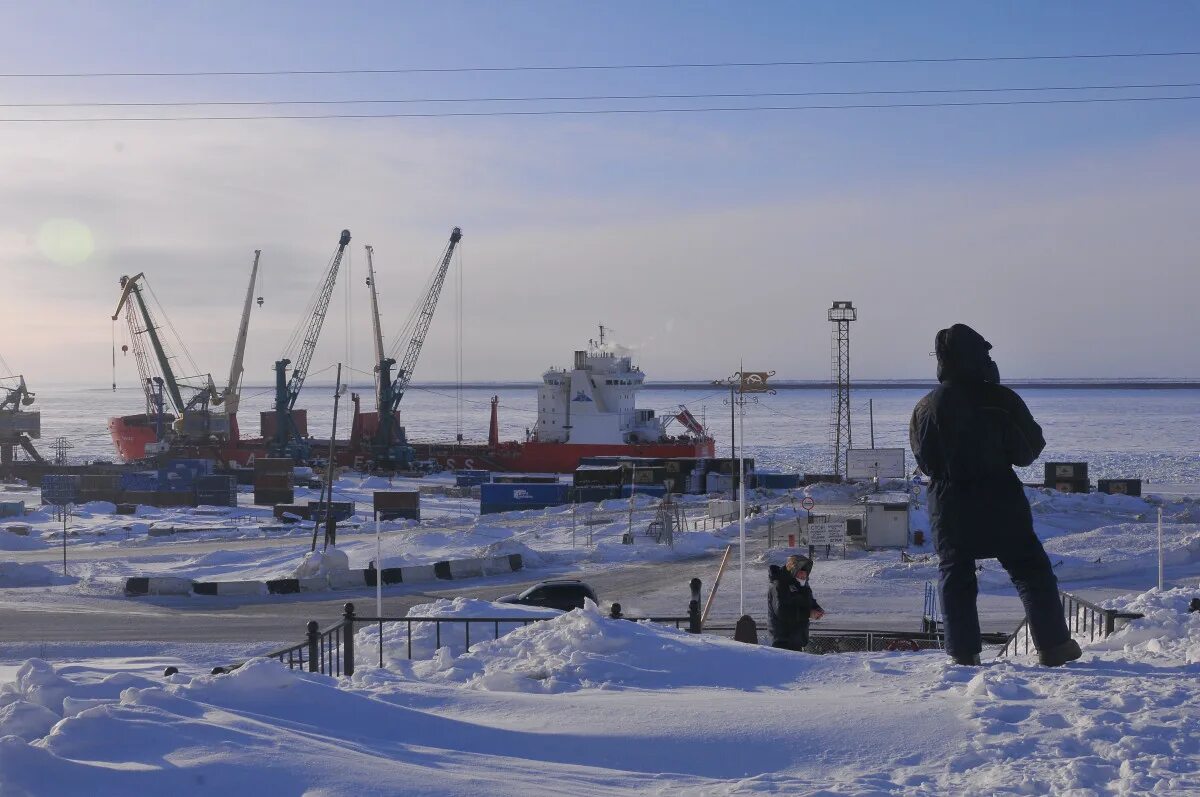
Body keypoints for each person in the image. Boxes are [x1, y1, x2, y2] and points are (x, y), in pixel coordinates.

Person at [910, 324, 1082, 667]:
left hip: (949, 501)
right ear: (976, 358)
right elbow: (1028, 450)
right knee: (1031, 571)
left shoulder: (926, 406)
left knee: (955, 574)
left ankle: (963, 654)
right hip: (999, 497)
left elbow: (925, 460)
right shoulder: (1001, 401)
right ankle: (1054, 646)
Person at [767, 555, 825, 651]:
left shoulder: (801, 584)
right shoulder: (779, 584)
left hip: (797, 639)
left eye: (805, 573)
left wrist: (816, 608)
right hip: (783, 641)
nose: (803, 576)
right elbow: (782, 612)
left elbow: (808, 600)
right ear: (793, 571)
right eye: (800, 573)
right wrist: (808, 613)